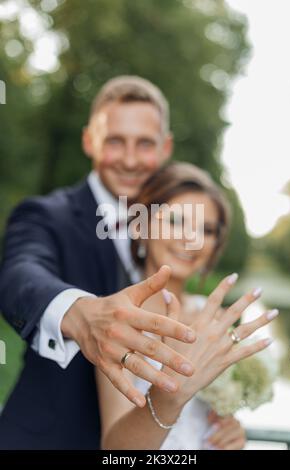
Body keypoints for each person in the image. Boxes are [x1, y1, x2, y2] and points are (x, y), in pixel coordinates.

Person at [0, 76, 198, 449]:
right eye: (114, 141)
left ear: (166, 147)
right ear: (89, 140)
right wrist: (79, 312)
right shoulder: (45, 215)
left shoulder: (169, 226)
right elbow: (18, 276)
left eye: (144, 144)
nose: (128, 159)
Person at [96, 162, 279, 450]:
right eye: (176, 221)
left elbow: (211, 417)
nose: (191, 239)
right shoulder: (119, 318)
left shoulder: (216, 317)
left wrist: (231, 431)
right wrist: (169, 392)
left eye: (206, 230)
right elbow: (115, 452)